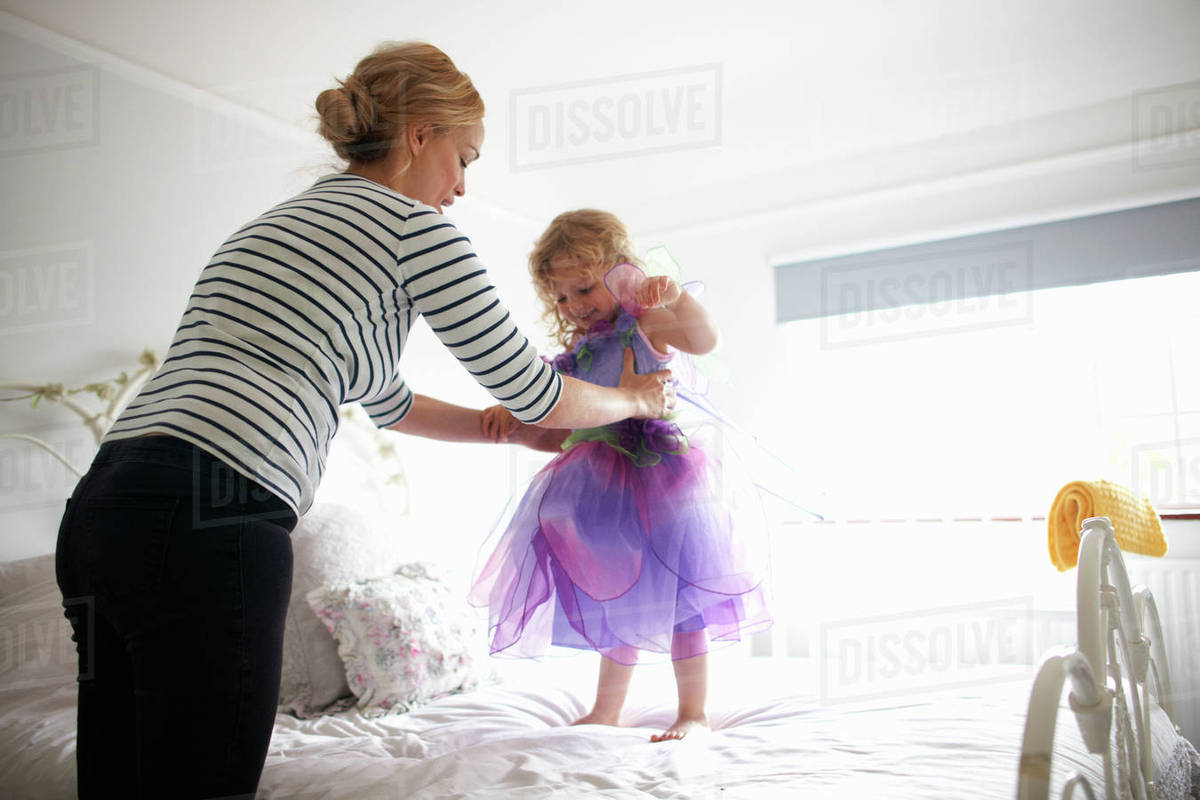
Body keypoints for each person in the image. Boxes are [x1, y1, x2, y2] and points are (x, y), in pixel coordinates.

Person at [54, 43, 675, 800]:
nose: (461, 186)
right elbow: (534, 389)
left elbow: (388, 399)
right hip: (212, 514)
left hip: (101, 510)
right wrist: (637, 400)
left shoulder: (272, 229)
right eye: (463, 158)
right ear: (420, 134)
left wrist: (504, 429)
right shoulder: (415, 229)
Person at [471, 209, 772, 742]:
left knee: (683, 599)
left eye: (584, 288)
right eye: (561, 297)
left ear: (619, 271)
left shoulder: (645, 324)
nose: (573, 306)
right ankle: (607, 709)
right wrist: (516, 427)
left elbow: (705, 340)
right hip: (597, 488)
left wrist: (674, 297)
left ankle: (693, 711)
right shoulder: (576, 358)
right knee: (617, 595)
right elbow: (559, 430)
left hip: (664, 481)